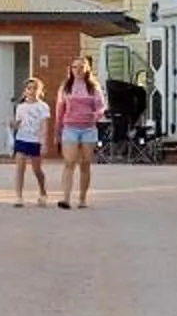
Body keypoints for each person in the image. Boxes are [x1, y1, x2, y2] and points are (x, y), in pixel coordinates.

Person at [54, 58, 105, 208]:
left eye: (81, 67)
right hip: (70, 128)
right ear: (70, 69)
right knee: (69, 162)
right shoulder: (66, 87)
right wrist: (57, 132)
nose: (78, 70)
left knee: (85, 164)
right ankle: (66, 198)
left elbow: (101, 107)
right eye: (75, 67)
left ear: (87, 69)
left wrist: (95, 115)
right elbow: (59, 110)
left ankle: (82, 198)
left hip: (88, 129)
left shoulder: (93, 87)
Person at [8, 79, 52, 206]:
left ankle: (43, 192)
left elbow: (44, 126)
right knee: (20, 168)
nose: (31, 91)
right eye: (29, 88)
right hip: (22, 139)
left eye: (34, 88)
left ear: (39, 91)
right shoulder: (21, 107)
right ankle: (18, 197)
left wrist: (43, 143)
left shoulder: (43, 107)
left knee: (37, 169)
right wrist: (12, 125)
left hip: (35, 141)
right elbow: (18, 124)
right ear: (25, 91)